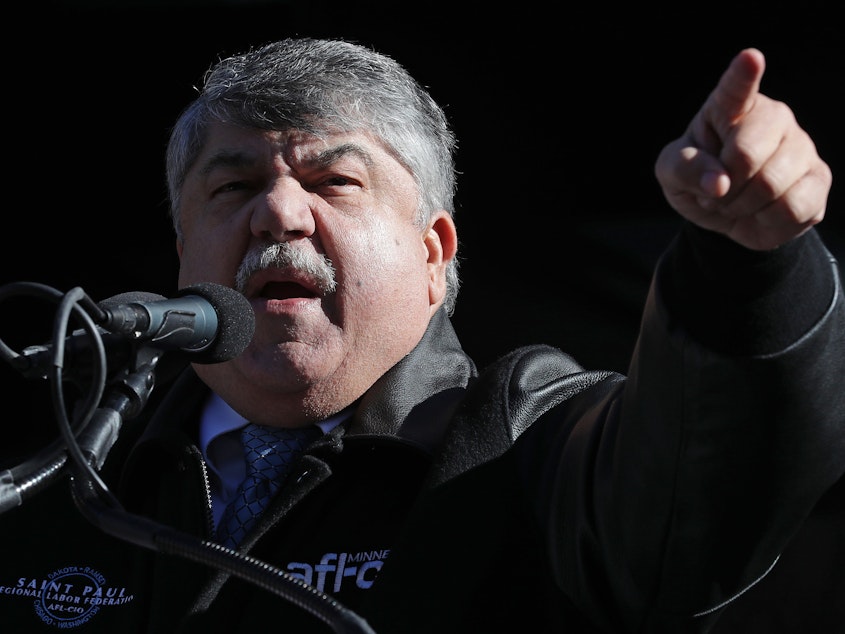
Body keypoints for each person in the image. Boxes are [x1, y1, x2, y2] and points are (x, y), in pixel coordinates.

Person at [0, 37, 842, 634]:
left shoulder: (527, 441)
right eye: (232, 186)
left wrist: (749, 263)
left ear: (433, 254)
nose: (279, 211)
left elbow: (707, 474)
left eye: (335, 180)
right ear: (184, 253)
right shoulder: (60, 467)